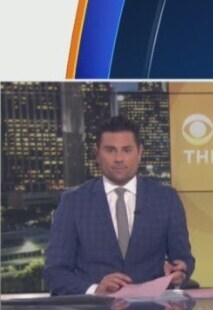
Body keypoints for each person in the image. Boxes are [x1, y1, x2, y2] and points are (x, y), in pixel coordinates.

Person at [43, 115, 195, 295]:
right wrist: (96, 289)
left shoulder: (166, 199)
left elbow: (183, 259)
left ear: (140, 152)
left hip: (153, 308)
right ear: (97, 154)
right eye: (110, 150)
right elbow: (55, 272)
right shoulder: (73, 202)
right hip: (95, 309)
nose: (119, 158)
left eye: (127, 150)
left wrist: (180, 271)